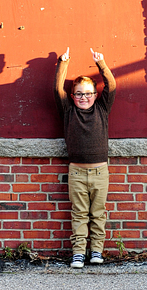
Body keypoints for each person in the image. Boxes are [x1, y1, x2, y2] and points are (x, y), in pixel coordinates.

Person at [54, 46, 117, 269]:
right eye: (79, 93)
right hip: (77, 172)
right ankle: (79, 253)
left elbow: (112, 85)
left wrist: (101, 64)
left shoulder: (102, 108)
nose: (84, 97)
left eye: (88, 93)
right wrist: (64, 62)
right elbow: (57, 89)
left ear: (95, 95)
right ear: (73, 96)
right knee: (79, 214)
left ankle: (97, 251)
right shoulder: (68, 110)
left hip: (101, 172)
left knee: (98, 213)